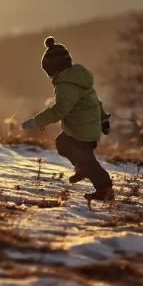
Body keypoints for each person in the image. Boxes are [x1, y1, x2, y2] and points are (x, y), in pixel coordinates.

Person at [21, 36, 114, 201]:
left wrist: (37, 121)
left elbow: (59, 110)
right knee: (63, 143)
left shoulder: (65, 84)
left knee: (87, 160)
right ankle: (82, 169)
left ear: (52, 69)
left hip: (80, 129)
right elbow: (94, 101)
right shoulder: (80, 79)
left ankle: (104, 189)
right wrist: (103, 120)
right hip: (88, 126)